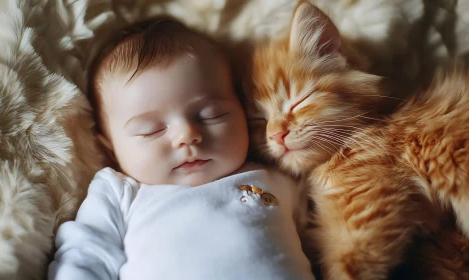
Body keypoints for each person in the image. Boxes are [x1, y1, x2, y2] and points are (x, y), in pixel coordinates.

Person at [48, 16, 314, 280]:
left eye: (211, 114)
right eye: (151, 130)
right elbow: (84, 256)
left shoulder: (277, 177)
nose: (187, 135)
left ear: (243, 112)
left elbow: (330, 237)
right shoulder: (120, 193)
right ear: (111, 150)